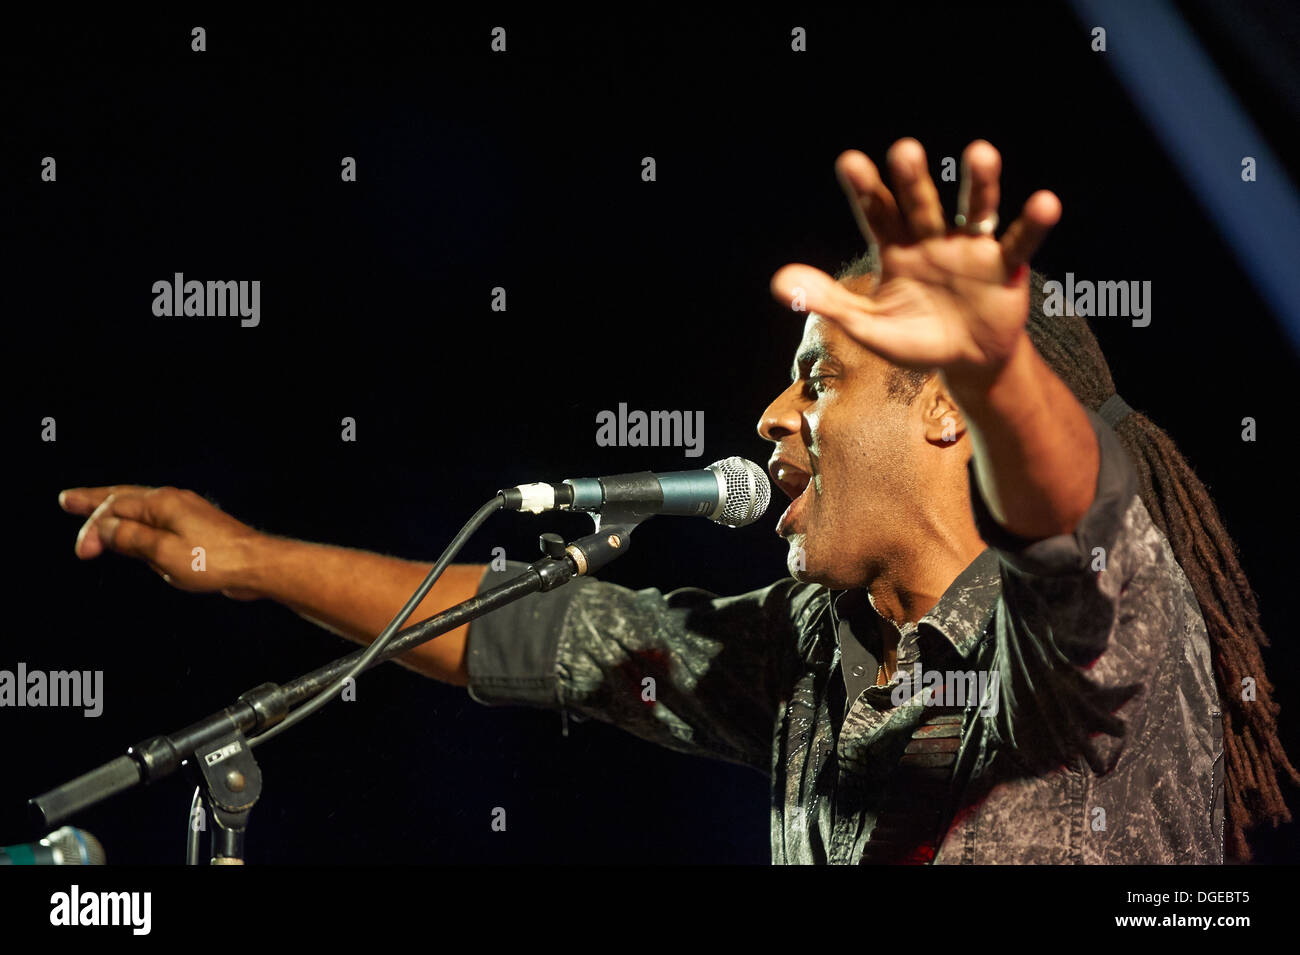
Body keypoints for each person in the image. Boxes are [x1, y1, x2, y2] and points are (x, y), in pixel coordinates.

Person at [59, 139, 1295, 863]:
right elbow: (535, 635)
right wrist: (255, 557)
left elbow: (1073, 530)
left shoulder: (1099, 654)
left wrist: (999, 369)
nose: (768, 419)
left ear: (938, 409)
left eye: (816, 379)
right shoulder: (816, 652)